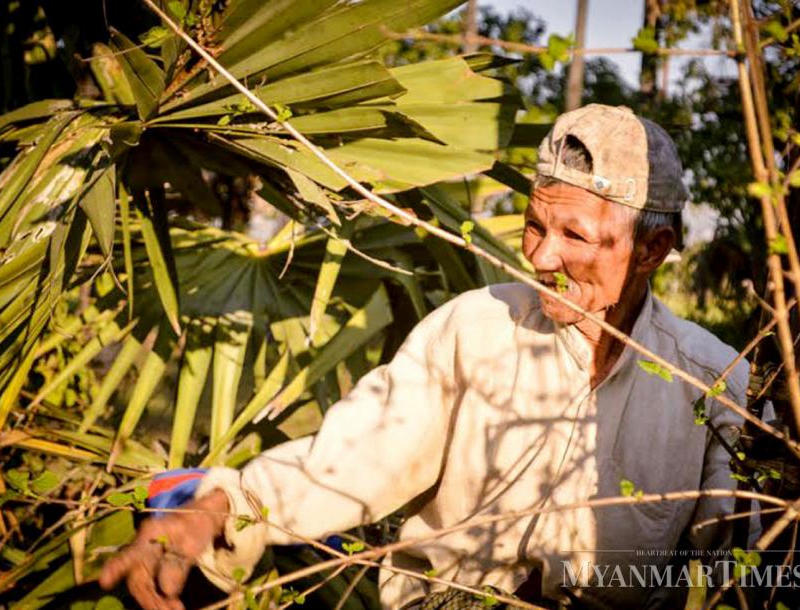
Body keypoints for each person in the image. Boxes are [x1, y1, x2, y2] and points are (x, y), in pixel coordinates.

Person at [100, 104, 747, 609]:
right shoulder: (474, 328)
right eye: (534, 225)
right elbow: (348, 460)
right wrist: (218, 506)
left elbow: (750, 560)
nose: (540, 257)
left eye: (573, 234)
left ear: (652, 249)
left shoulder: (713, 382)